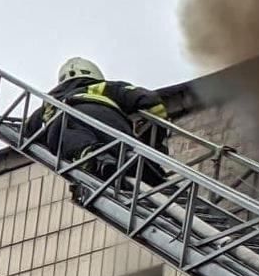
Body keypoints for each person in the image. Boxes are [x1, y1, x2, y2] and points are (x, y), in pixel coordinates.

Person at [23, 57, 170, 182]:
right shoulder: (104, 87)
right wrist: (155, 140)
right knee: (131, 157)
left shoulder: (49, 102)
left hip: (66, 129)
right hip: (111, 125)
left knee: (61, 135)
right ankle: (152, 172)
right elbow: (150, 100)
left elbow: (26, 131)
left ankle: (93, 157)